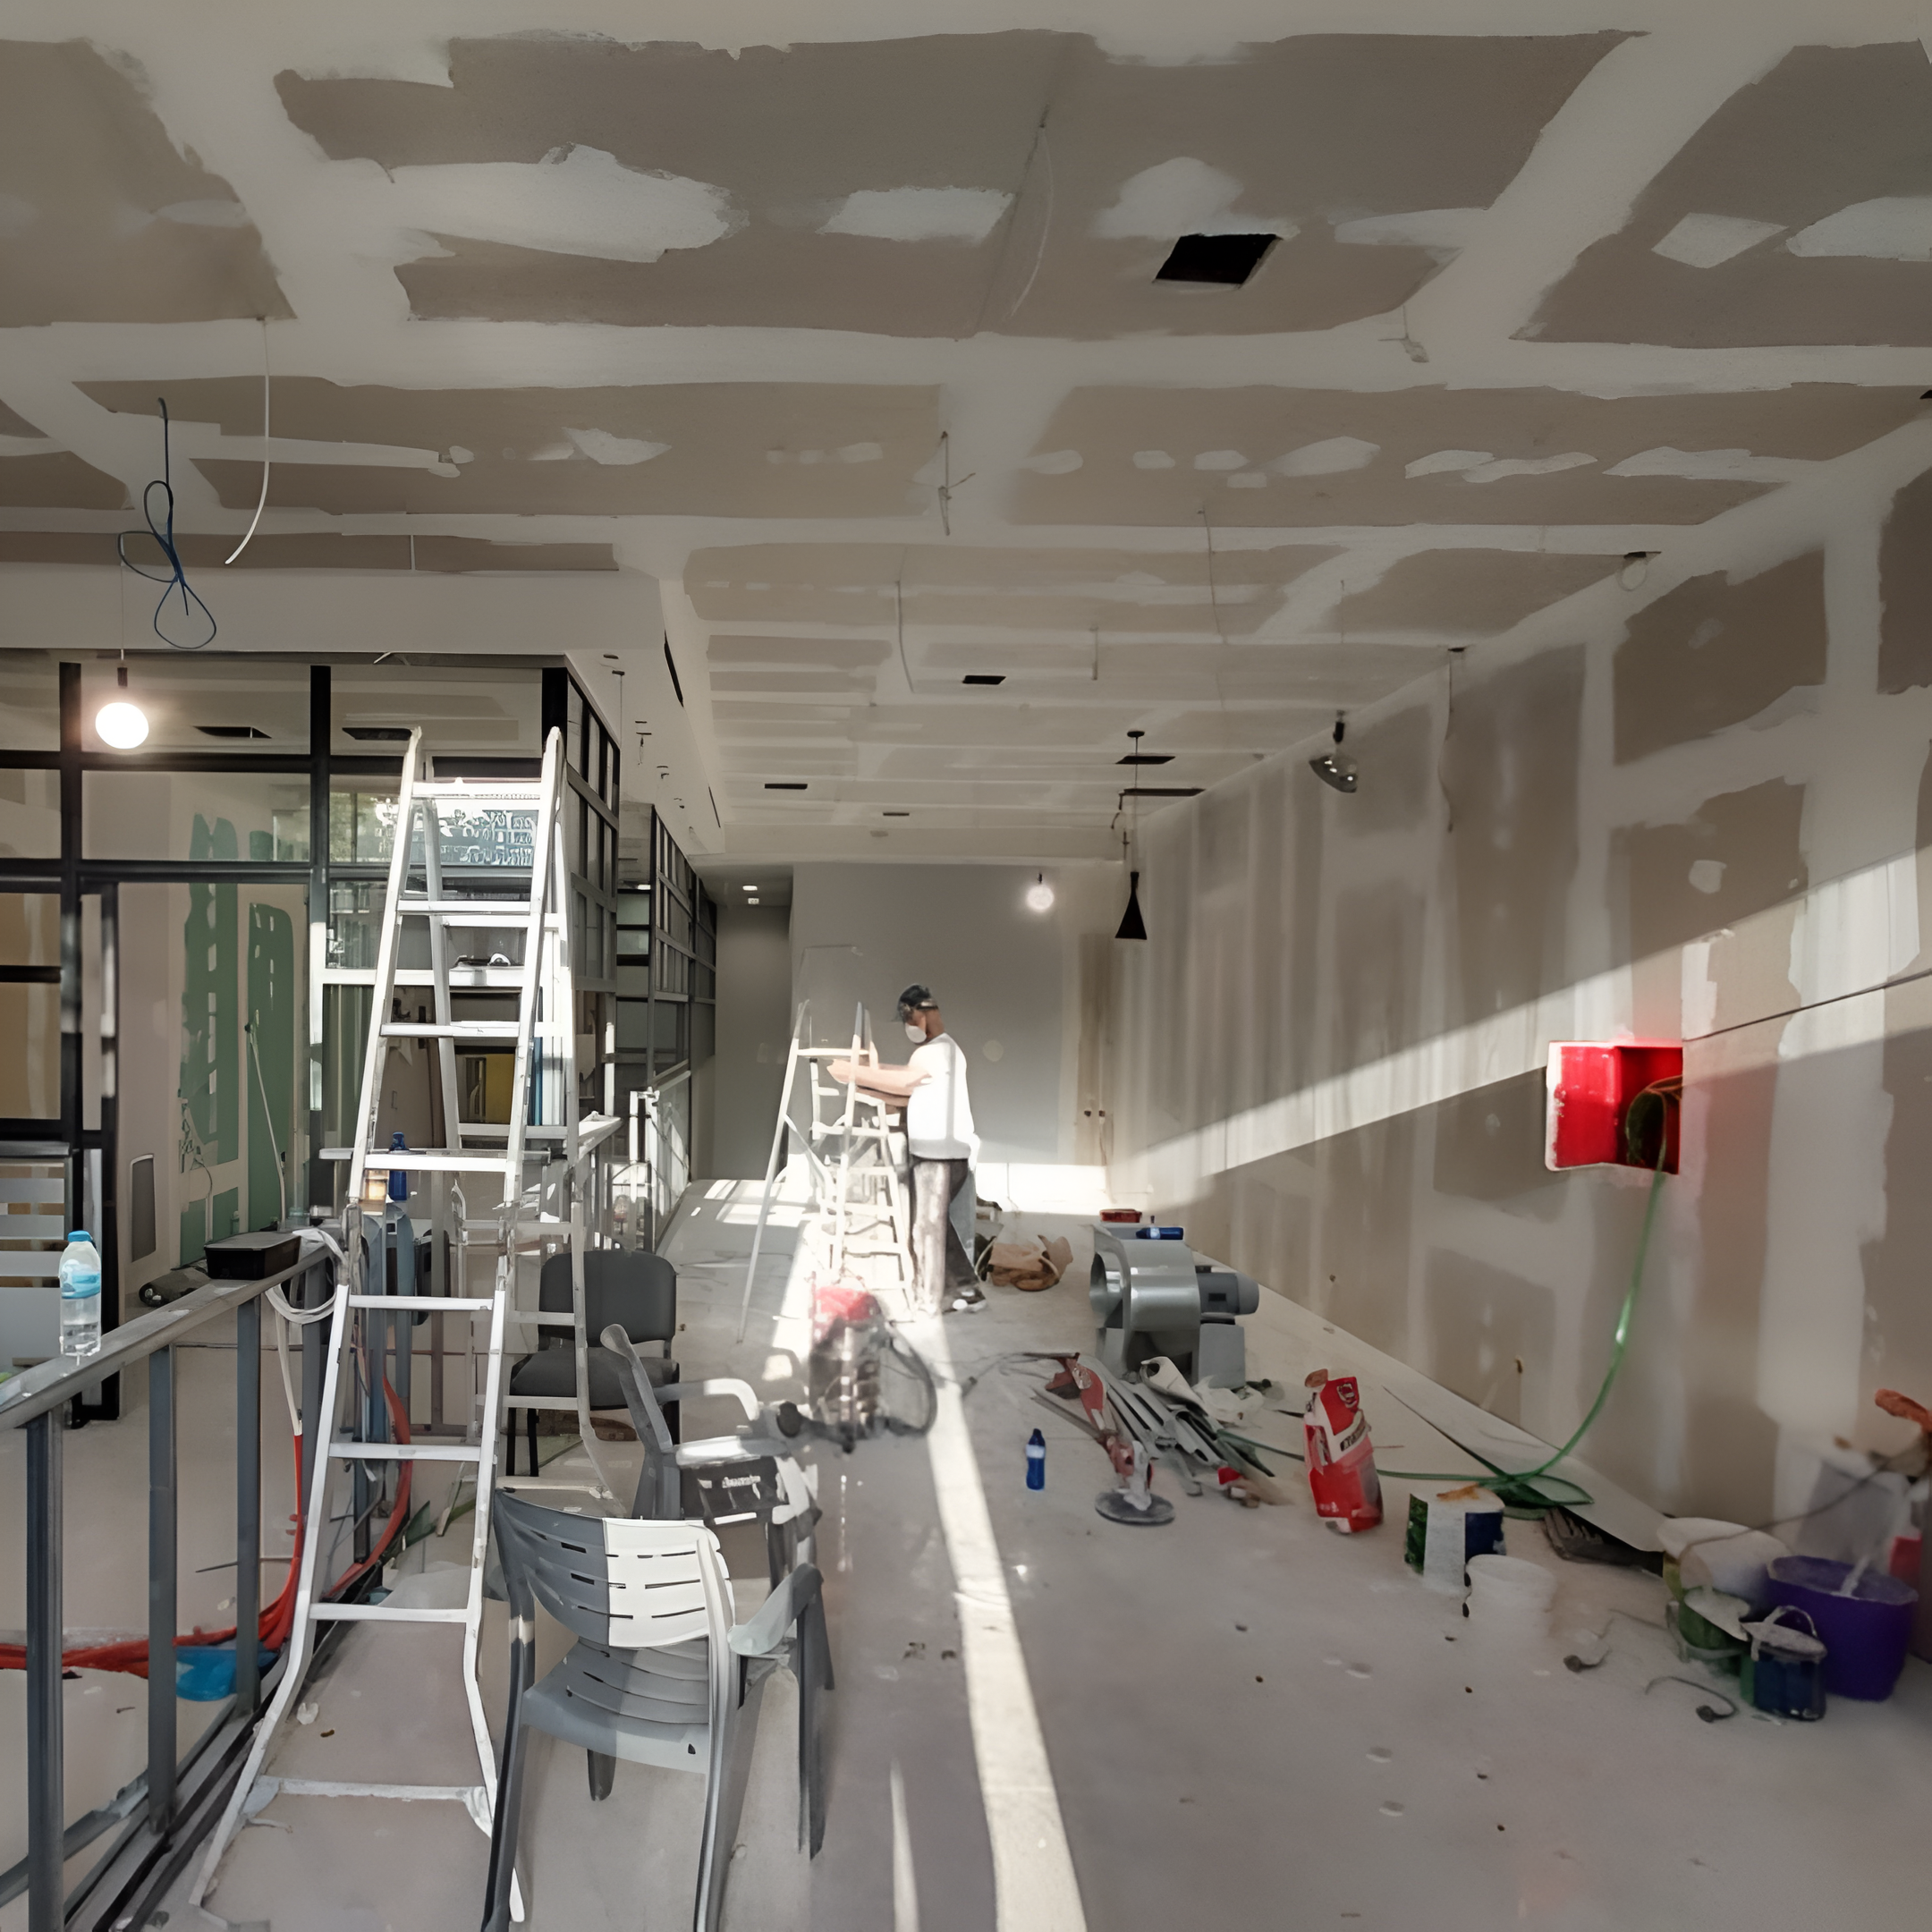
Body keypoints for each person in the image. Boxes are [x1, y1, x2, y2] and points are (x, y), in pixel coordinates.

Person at [832, 985, 981, 1314]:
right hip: (946, 1153)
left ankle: (929, 1302)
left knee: (927, 1229)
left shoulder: (934, 1052)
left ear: (921, 1015)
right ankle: (968, 1290)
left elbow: (903, 1083)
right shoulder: (946, 1049)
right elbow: (907, 1091)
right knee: (940, 1228)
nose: (907, 1026)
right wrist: (869, 1081)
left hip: (937, 1156)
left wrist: (854, 1073)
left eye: (907, 1019)